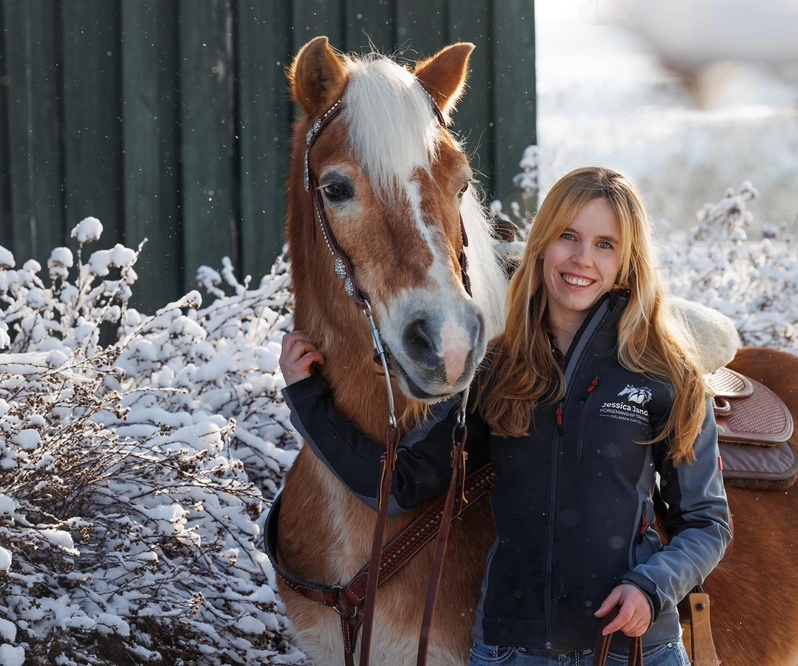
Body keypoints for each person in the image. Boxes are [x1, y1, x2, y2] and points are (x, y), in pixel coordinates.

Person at [279, 167, 731, 666]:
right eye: (568, 236)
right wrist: (308, 398)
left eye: (606, 244)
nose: (582, 259)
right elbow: (398, 486)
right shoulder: (497, 368)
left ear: (628, 261)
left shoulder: (667, 375)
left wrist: (650, 587)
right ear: (542, 244)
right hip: (511, 652)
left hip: (633, 649)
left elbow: (706, 522)